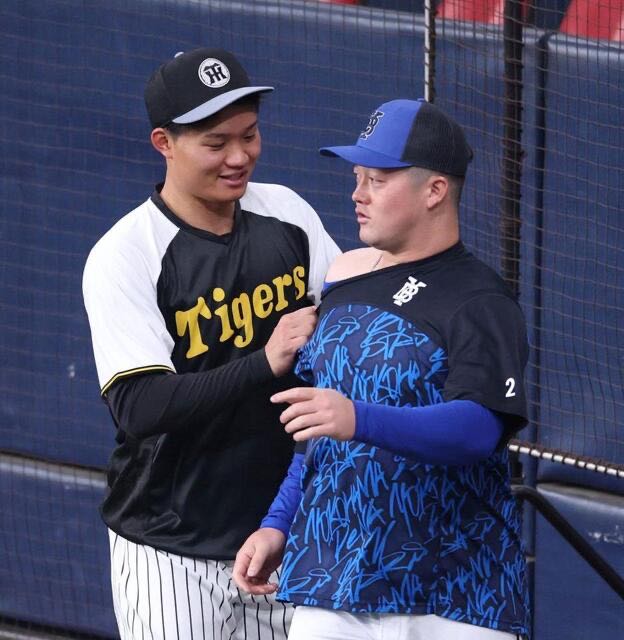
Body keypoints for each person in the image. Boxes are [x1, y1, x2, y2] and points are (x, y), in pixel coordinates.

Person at [233, 98, 531, 640]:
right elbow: (315, 436)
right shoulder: (343, 280)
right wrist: (277, 523)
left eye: (377, 179)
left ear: (434, 190)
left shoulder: (481, 300)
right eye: (357, 178)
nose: (358, 194)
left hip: (451, 594)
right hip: (332, 578)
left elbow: (478, 429)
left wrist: (358, 418)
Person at [82, 47, 341, 640]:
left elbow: (347, 318)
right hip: (170, 549)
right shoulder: (127, 254)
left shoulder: (286, 213)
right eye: (216, 142)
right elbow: (139, 406)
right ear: (164, 143)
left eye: (249, 135)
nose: (239, 156)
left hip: (281, 538)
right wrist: (265, 361)